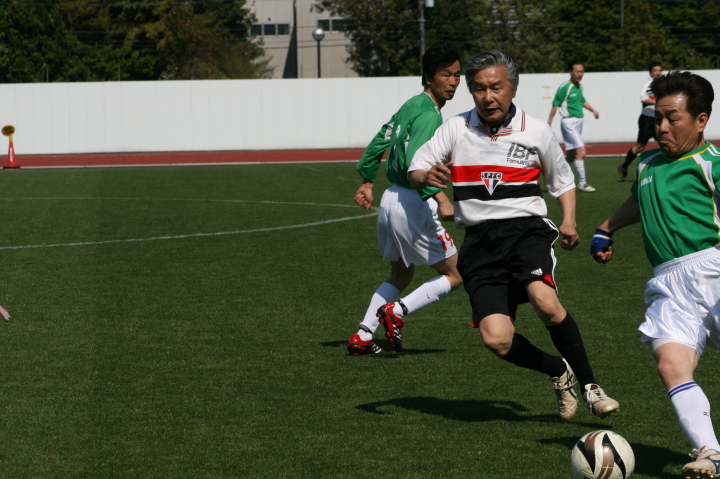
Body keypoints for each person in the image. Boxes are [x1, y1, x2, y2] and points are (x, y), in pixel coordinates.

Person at [407, 50, 619, 420]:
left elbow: (562, 181)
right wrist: (426, 176)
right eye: (479, 89)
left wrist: (569, 221)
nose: (488, 96)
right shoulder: (456, 127)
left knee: (545, 302)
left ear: (513, 89)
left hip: (526, 232)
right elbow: (416, 167)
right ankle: (558, 370)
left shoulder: (535, 130)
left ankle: (590, 386)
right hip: (479, 243)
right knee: (497, 339)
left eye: (496, 87)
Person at [592, 70, 720, 478]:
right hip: (668, 282)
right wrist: (607, 227)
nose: (661, 127)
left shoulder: (711, 164)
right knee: (670, 364)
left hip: (714, 271)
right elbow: (640, 200)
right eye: (658, 118)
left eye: (672, 118)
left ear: (700, 120)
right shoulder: (648, 164)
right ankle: (711, 452)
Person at [347, 41, 463, 356]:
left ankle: (363, 335)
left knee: (401, 273)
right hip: (413, 201)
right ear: (429, 78)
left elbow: (381, 138)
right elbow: (417, 166)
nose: (453, 82)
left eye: (457, 75)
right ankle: (397, 311)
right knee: (455, 274)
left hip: (390, 200)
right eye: (445, 75)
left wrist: (368, 180)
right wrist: (442, 199)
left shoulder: (411, 104)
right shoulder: (430, 115)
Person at [548, 60, 600, 193]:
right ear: (571, 72)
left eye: (582, 71)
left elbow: (582, 101)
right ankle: (582, 183)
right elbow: (555, 104)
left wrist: (593, 110)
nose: (580, 74)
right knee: (581, 151)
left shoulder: (579, 87)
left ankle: (560, 180)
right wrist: (549, 121)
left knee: (571, 155)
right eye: (577, 71)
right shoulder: (565, 87)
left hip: (578, 123)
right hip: (569, 122)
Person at [617, 62, 663, 182]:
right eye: (655, 70)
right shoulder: (649, 84)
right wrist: (659, 102)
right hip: (647, 120)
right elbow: (643, 98)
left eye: (659, 70)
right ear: (651, 72)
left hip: (658, 119)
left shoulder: (661, 84)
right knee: (639, 147)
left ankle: (664, 171)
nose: (658, 73)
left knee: (665, 143)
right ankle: (624, 166)